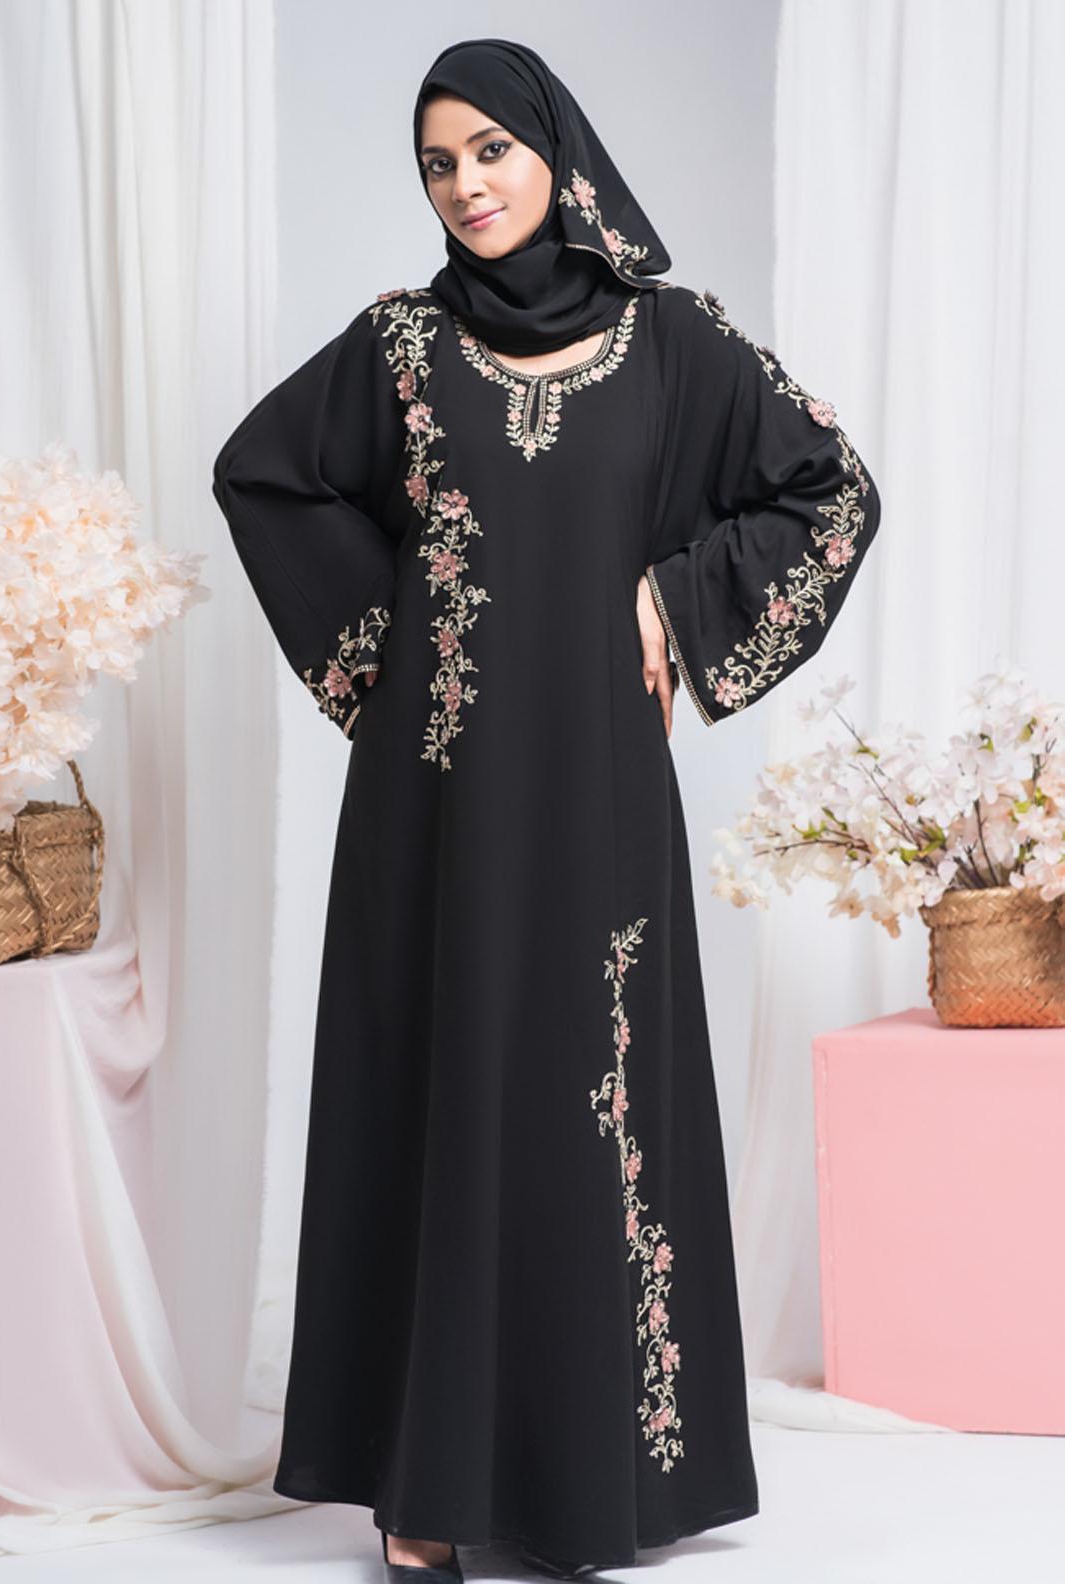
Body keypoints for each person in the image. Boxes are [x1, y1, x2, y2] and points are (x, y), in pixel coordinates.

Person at [211, 36, 881, 1582]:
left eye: (490, 152)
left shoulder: (673, 341)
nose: (465, 186)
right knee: (439, 1085)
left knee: (589, 1096)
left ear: (555, 154)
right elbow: (266, 475)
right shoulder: (396, 348)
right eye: (436, 164)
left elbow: (828, 490)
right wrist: (395, 647)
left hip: (592, 788)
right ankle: (423, 1484)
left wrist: (681, 596)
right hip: (432, 794)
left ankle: (590, 1482)